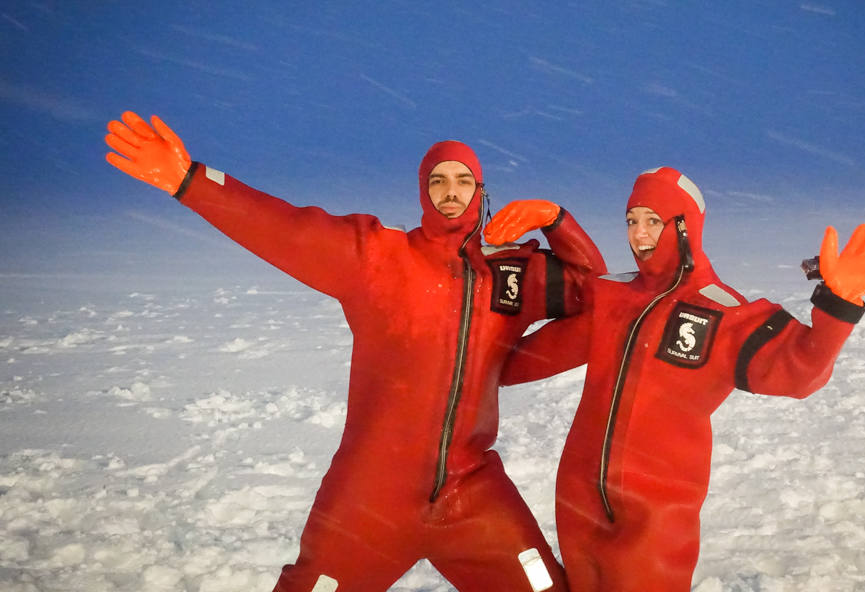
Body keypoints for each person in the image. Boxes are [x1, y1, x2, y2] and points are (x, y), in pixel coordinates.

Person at [104, 111, 607, 592]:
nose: (451, 191)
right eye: (438, 181)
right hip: (369, 495)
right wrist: (190, 180)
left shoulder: (512, 274)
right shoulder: (378, 257)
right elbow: (281, 226)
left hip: (472, 493)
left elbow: (595, 292)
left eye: (463, 180)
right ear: (422, 192)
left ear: (481, 191)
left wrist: (555, 219)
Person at [484, 165, 865, 592]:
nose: (640, 234)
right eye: (632, 221)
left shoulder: (724, 313)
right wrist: (462, 360)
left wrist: (839, 305)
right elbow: (525, 360)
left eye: (653, 221)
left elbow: (800, 371)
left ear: (685, 226)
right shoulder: (611, 296)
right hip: (578, 499)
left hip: (656, 514)